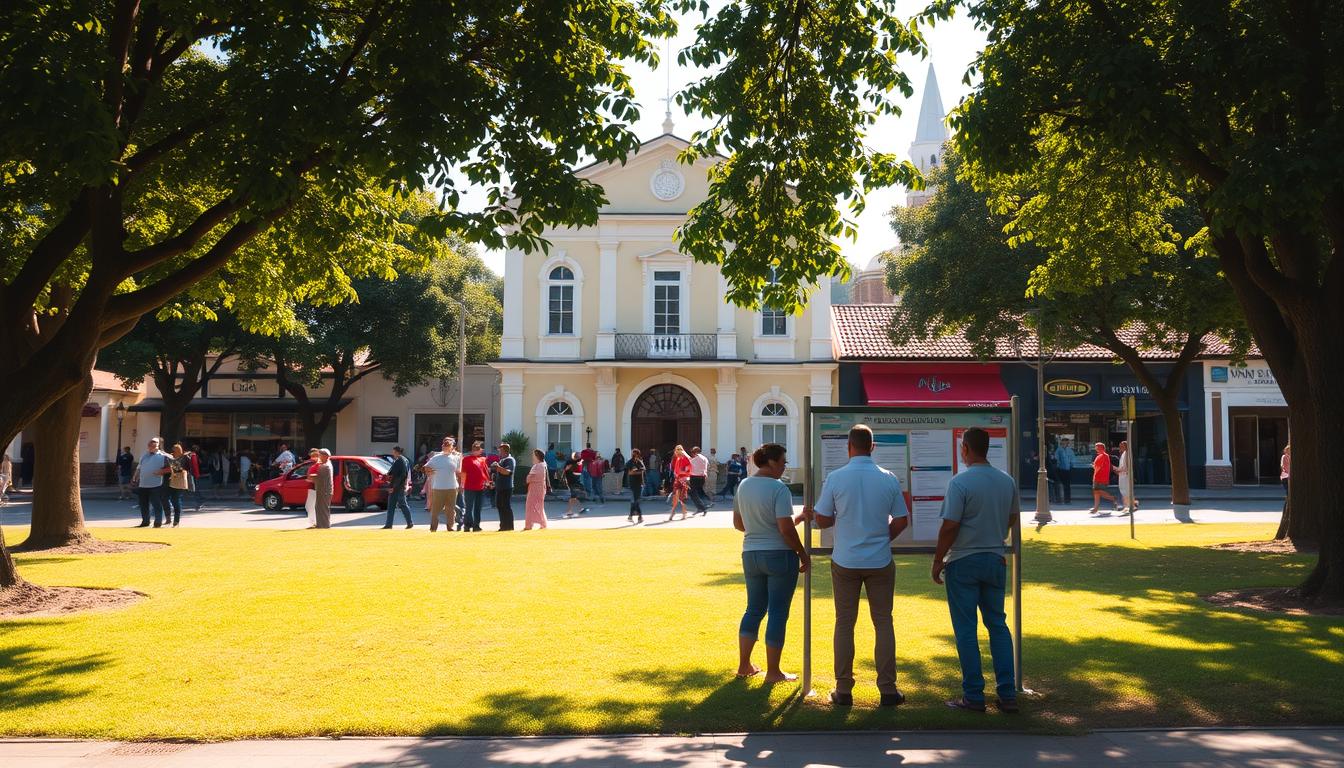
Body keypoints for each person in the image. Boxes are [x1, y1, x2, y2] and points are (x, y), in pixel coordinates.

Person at [808, 424, 909, 708]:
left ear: (848, 446)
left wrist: (837, 517)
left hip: (846, 560)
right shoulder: (888, 478)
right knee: (884, 622)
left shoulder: (836, 478)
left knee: (844, 623)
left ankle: (843, 689)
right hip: (879, 560)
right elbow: (901, 520)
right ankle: (888, 689)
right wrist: (882, 538)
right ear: (872, 447)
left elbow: (823, 519)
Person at [932, 427, 1020, 714]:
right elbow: (1011, 518)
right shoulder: (1007, 481)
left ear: (966, 448)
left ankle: (973, 695)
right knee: (998, 625)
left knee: (966, 630)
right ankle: (1007, 694)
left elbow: (950, 525)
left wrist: (938, 559)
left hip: (963, 562)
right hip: (995, 559)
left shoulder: (960, 482)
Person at [733, 442, 810, 682]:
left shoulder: (743, 485)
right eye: (783, 462)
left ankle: (744, 665)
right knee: (777, 612)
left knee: (754, 609)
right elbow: (785, 529)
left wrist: (791, 520)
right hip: (778, 555)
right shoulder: (779, 489)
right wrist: (802, 553)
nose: (784, 466)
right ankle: (774, 671)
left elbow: (739, 524)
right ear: (772, 462)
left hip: (751, 553)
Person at [423, 437, 461, 532]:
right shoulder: (436, 457)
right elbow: (425, 467)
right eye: (445, 445)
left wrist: (460, 485)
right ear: (442, 446)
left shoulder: (456, 458)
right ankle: (433, 528)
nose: (446, 447)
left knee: (450, 509)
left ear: (452, 447)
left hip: (452, 487)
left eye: (448, 445)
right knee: (435, 510)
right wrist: (428, 471)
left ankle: (450, 527)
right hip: (438, 487)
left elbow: (458, 472)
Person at [132, 437, 171, 528]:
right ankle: (145, 521)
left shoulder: (164, 456)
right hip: (143, 484)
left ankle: (158, 522)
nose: (151, 445)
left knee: (156, 503)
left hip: (156, 484)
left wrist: (161, 472)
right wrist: (135, 476)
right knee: (143, 504)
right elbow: (139, 467)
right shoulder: (144, 455)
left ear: (159, 445)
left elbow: (173, 468)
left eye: (154, 443)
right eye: (150, 444)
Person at [460, 441, 489, 532]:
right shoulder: (466, 459)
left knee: (478, 507)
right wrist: (462, 484)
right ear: (473, 450)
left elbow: (485, 472)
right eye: (477, 449)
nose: (479, 450)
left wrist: (488, 482)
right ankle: (467, 525)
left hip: (480, 487)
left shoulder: (482, 459)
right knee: (469, 507)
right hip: (469, 486)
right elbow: (463, 472)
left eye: (479, 449)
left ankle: (476, 525)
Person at [383, 446, 414, 529]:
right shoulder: (405, 460)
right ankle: (390, 524)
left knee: (399, 505)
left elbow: (398, 475)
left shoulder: (399, 460)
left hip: (398, 486)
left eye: (393, 452)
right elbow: (403, 474)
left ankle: (408, 523)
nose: (393, 453)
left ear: (396, 452)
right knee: (396, 505)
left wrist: (393, 486)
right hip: (400, 485)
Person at [1090, 442, 1121, 515]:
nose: (1096, 449)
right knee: (1096, 492)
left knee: (1100, 491)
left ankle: (1113, 498)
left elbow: (1105, 468)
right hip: (1096, 476)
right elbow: (1096, 466)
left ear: (1102, 448)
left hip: (1102, 477)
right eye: (1096, 447)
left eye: (1097, 447)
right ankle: (1095, 508)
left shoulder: (1105, 456)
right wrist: (1094, 466)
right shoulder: (1098, 456)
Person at [166, 443, 192, 527]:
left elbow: (187, 467)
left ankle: (176, 521)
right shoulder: (171, 457)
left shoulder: (185, 457)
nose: (173, 451)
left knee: (176, 499)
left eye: (174, 450)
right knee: (172, 499)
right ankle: (173, 519)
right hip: (173, 479)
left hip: (180, 479)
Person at [524, 449, 550, 530]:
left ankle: (529, 525)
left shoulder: (538, 466)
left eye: (533, 455)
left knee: (531, 506)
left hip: (535, 488)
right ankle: (541, 523)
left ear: (537, 456)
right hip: (540, 488)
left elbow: (529, 478)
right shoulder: (543, 465)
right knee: (538, 506)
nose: (532, 457)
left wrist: (528, 478)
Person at [492, 443, 516, 531]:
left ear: (504, 451)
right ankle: (503, 526)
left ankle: (509, 526)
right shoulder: (502, 460)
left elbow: (508, 472)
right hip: (500, 487)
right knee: (500, 506)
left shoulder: (509, 460)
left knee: (506, 506)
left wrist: (497, 467)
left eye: (500, 450)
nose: (499, 452)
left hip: (506, 487)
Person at [562, 451, 589, 518]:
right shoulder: (570, 462)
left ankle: (573, 510)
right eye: (578, 455)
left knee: (573, 497)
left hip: (575, 482)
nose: (579, 457)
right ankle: (576, 510)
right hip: (571, 482)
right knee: (573, 497)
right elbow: (565, 469)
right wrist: (568, 467)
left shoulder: (579, 462)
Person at [668, 444, 692, 521]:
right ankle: (673, 511)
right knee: (675, 496)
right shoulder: (677, 459)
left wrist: (683, 475)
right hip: (677, 480)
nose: (677, 452)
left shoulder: (685, 459)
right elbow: (674, 468)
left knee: (682, 498)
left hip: (683, 480)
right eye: (676, 450)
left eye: (679, 450)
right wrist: (676, 473)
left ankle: (684, 512)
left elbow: (688, 469)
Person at [313, 448, 334, 529]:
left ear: (325, 456)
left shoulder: (325, 466)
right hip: (325, 490)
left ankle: (323, 525)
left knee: (322, 508)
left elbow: (317, 477)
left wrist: (310, 476)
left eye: (320, 455)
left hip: (324, 490)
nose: (319, 457)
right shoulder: (328, 464)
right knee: (321, 508)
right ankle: (321, 525)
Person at [688, 446, 712, 515]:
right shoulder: (705, 458)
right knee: (699, 492)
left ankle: (703, 508)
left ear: (694, 453)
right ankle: (702, 507)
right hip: (702, 478)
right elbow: (708, 467)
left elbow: (689, 462)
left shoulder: (696, 458)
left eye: (692, 453)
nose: (692, 454)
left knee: (692, 492)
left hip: (695, 477)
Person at [1116, 440, 1137, 515]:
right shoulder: (1123, 454)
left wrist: (1119, 469)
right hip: (1122, 475)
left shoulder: (1127, 453)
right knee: (1124, 491)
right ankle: (1128, 506)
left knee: (1126, 491)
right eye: (1120, 446)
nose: (1120, 447)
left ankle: (1130, 506)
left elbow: (1127, 465)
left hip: (1125, 475)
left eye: (1122, 446)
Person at [625, 448, 646, 523]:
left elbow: (642, 471)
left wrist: (643, 481)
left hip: (639, 483)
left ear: (638, 454)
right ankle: (639, 516)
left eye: (635, 454)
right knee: (635, 500)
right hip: (632, 484)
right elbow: (630, 473)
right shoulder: (630, 462)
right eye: (632, 454)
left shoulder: (640, 462)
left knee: (635, 500)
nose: (633, 455)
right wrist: (637, 472)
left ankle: (631, 516)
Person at [1054, 438, 1075, 504]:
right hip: (1060, 469)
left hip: (1068, 470)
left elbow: (1072, 459)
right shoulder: (1059, 450)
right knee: (1059, 485)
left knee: (1067, 485)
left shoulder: (1070, 450)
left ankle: (1067, 500)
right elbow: (1056, 458)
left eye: (1066, 443)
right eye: (1063, 443)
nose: (1064, 444)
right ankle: (1059, 500)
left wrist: (1072, 465)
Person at [304, 449, 321, 528]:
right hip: (313, 487)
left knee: (310, 506)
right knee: (309, 506)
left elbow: (316, 477)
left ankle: (313, 522)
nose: (312, 457)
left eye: (314, 456)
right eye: (311, 456)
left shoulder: (317, 465)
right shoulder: (315, 465)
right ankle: (313, 522)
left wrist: (310, 479)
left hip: (314, 487)